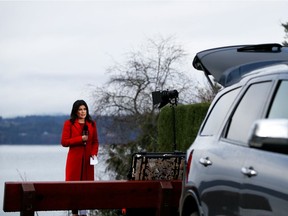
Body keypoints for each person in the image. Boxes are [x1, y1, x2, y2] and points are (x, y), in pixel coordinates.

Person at [61, 100, 99, 216]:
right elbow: (64, 142)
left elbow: (95, 142)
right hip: (74, 161)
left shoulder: (92, 124)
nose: (83, 112)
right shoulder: (69, 123)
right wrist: (80, 139)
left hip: (88, 161)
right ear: (75, 111)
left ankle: (83, 213)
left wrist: (94, 153)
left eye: (84, 109)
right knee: (73, 188)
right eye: (80, 109)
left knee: (86, 188)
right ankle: (74, 213)